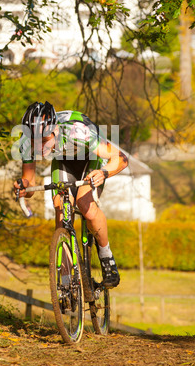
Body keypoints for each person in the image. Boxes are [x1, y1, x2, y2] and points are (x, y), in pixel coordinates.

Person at [14, 101, 128, 288]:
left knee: (86, 207)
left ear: (55, 130)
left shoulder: (78, 132)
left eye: (43, 141)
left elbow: (121, 158)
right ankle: (66, 279)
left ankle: (106, 256)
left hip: (89, 158)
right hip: (64, 161)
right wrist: (22, 186)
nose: (39, 148)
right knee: (61, 209)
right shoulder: (26, 142)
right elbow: (29, 185)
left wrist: (104, 172)